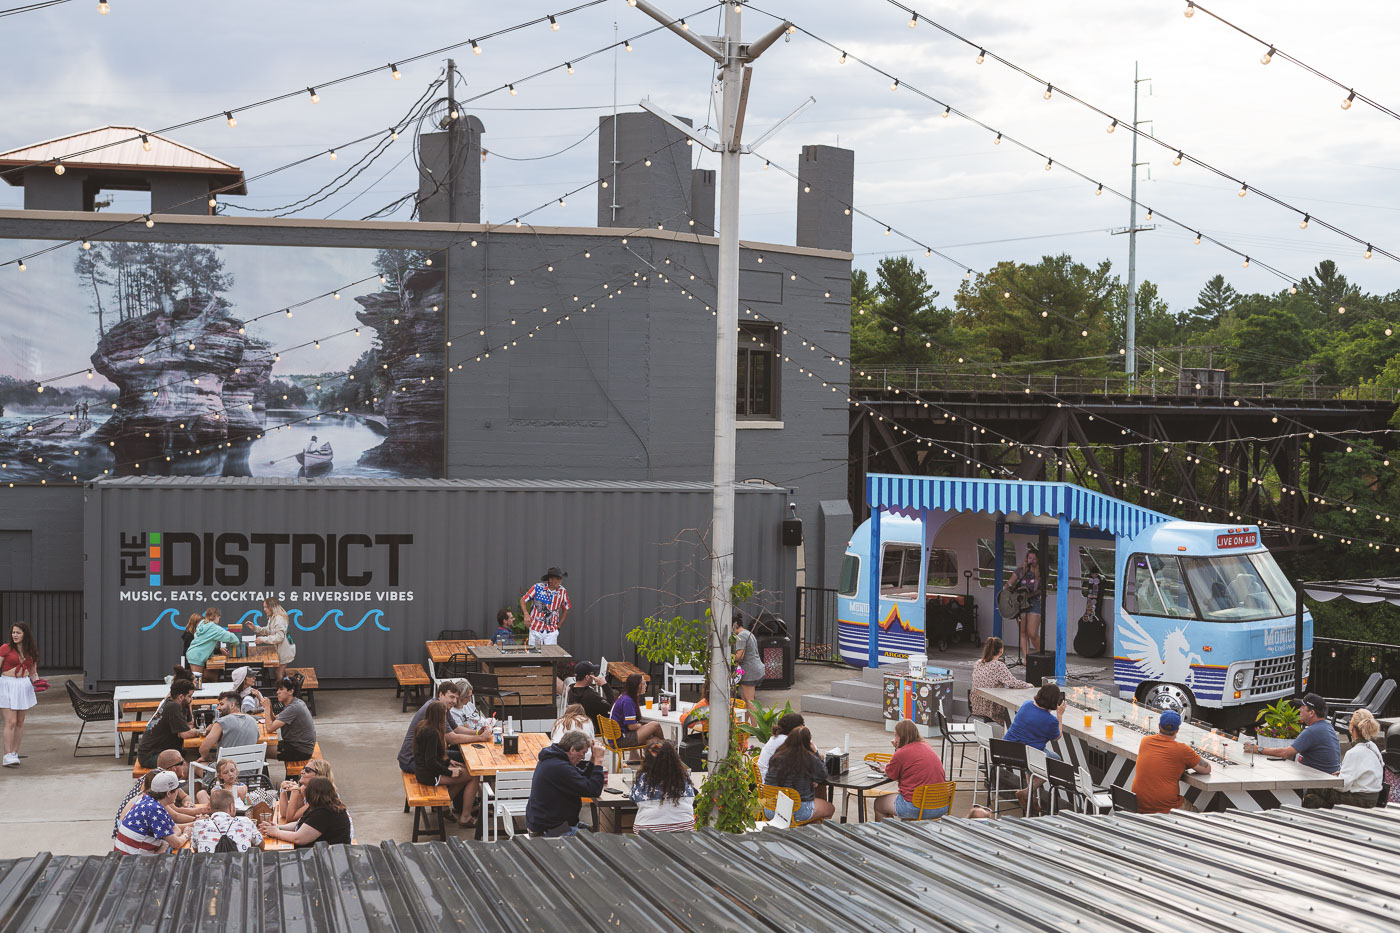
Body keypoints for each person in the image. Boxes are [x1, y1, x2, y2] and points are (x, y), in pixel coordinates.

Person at [526, 729, 607, 837]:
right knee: (596, 841)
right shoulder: (559, 767)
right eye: (583, 752)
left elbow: (582, 778)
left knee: (595, 833)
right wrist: (599, 761)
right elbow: (593, 790)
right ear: (572, 749)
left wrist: (593, 759)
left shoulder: (554, 759)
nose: (583, 757)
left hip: (554, 824)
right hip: (551, 830)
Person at [1131, 710, 1211, 814]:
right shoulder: (1183, 750)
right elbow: (1206, 768)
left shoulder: (1145, 741)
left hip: (1138, 805)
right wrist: (1184, 764)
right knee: (1196, 814)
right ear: (1177, 729)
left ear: (1159, 726)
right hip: (1166, 808)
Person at [1304, 709, 1385, 809]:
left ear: (1351, 727)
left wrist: (1333, 779)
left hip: (1360, 800)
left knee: (1313, 790)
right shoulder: (1373, 747)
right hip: (1372, 797)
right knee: (1315, 796)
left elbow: (1342, 786)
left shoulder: (1354, 752)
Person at [1003, 682, 1065, 813]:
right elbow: (1057, 736)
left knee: (1035, 757)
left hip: (1007, 751)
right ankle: (1027, 792)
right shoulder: (1051, 721)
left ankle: (1032, 800)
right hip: (1028, 756)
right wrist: (1060, 716)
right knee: (1055, 761)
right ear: (1054, 702)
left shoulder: (1026, 705)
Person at [414, 701, 477, 826]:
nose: (446, 717)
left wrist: (449, 761)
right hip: (429, 775)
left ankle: (443, 806)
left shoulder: (423, 725)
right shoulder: (432, 733)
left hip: (423, 770)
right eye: (444, 714)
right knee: (473, 776)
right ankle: (465, 817)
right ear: (439, 716)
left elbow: (433, 755)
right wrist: (449, 772)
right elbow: (430, 762)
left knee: (463, 771)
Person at [1244, 693, 1342, 773]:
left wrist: (1258, 749)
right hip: (1328, 777)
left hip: (1318, 782)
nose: (1299, 710)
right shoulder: (1327, 727)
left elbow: (1285, 753)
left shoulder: (1312, 731)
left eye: (1302, 707)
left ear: (1311, 713)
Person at [873, 719, 949, 821]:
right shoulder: (926, 746)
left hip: (918, 807)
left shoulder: (901, 753)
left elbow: (892, 775)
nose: (894, 738)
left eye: (896, 735)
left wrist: (897, 750)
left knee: (879, 804)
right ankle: (906, 833)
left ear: (901, 736)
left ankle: (883, 836)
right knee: (907, 800)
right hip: (941, 805)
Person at [112, 749, 197, 838]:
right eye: (182, 762)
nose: (185, 764)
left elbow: (185, 797)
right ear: (173, 768)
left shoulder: (163, 776)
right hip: (128, 831)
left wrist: (189, 803)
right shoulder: (159, 784)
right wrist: (198, 819)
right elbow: (175, 815)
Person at [763, 726, 834, 823]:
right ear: (808, 742)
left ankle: (806, 830)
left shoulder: (777, 755)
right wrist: (815, 752)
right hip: (795, 812)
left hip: (770, 809)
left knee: (814, 814)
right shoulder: (808, 757)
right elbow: (823, 774)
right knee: (830, 808)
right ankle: (812, 833)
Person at [260, 777, 352, 848]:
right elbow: (302, 824)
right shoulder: (321, 806)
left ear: (313, 793)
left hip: (328, 859)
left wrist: (276, 832)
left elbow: (299, 838)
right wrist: (278, 827)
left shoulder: (324, 813)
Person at [114, 771, 189, 855]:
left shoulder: (148, 799)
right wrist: (186, 834)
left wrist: (168, 842)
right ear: (168, 793)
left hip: (124, 858)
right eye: (177, 790)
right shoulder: (155, 810)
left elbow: (176, 829)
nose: (178, 793)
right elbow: (177, 843)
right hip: (132, 862)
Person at [629, 739, 696, 832]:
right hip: (685, 832)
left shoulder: (642, 779)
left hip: (647, 832)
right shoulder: (684, 777)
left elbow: (633, 797)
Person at [136, 678, 202, 769]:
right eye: (190, 696)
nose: (191, 699)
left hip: (163, 751)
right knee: (186, 768)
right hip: (150, 755)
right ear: (181, 697)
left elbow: (190, 724)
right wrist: (202, 731)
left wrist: (189, 730)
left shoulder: (179, 704)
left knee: (197, 757)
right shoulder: (172, 707)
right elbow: (184, 734)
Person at [397, 681, 461, 773]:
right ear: (441, 694)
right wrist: (480, 738)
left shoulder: (441, 706)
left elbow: (456, 729)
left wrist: (478, 733)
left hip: (426, 756)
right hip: (411, 760)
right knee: (463, 772)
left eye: (456, 698)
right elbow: (452, 738)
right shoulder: (435, 710)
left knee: (460, 760)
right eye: (452, 697)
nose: (455, 701)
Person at [1, 621, 40, 767]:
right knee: (10, 721)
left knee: (20, 722)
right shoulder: (5, 648)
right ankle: (7, 755)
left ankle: (14, 753)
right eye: (13, 632)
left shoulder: (31, 651)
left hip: (23, 686)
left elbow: (33, 672)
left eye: (18, 632)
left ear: (25, 634)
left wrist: (38, 682)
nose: (15, 635)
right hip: (7, 685)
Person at [970, 637, 1033, 725]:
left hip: (977, 704)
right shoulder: (998, 665)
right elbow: (1012, 683)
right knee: (1022, 711)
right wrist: (1027, 685)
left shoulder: (978, 663)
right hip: (991, 706)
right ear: (1001, 651)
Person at [190, 788, 263, 853]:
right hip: (240, 867)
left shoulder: (198, 825)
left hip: (209, 867)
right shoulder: (245, 822)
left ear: (210, 808)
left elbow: (195, 849)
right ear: (231, 807)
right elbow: (261, 845)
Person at [261, 678, 317, 762]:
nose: (277, 692)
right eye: (278, 689)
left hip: (300, 750)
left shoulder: (293, 707)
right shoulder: (296, 702)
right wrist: (269, 707)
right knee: (261, 748)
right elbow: (275, 719)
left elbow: (270, 728)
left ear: (291, 691)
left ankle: (261, 774)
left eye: (281, 689)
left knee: (259, 751)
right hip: (298, 745)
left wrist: (266, 708)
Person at [198, 691, 260, 762]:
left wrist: (206, 758)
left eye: (221, 704)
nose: (218, 708)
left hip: (225, 771)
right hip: (250, 770)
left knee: (197, 765)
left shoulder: (221, 722)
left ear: (232, 705)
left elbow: (203, 749)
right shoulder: (253, 721)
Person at [610, 673, 663, 751]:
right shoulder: (627, 701)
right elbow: (631, 726)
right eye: (644, 683)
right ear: (638, 686)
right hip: (621, 740)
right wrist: (641, 725)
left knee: (654, 740)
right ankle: (667, 747)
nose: (646, 685)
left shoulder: (624, 696)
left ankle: (643, 759)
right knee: (655, 725)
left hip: (615, 738)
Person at [276, 757, 336, 824]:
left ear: (318, 775)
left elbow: (290, 818)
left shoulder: (321, 796)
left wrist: (295, 792)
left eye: (307, 770)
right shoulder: (304, 788)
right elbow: (284, 814)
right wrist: (283, 790)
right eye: (303, 768)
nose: (301, 772)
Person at [521, 567, 570, 647]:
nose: (560, 581)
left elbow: (566, 609)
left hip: (551, 631)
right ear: (550, 580)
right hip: (536, 629)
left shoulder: (562, 591)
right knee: (535, 655)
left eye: (560, 579)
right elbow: (523, 600)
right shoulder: (537, 587)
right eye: (557, 579)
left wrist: (558, 627)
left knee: (551, 656)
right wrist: (526, 614)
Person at [251, 597, 295, 684]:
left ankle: (283, 694)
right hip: (281, 649)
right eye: (264, 607)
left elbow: (279, 637)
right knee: (277, 673)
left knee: (279, 674)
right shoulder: (273, 617)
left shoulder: (279, 619)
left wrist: (263, 639)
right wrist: (255, 628)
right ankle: (281, 692)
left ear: (272, 607)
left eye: (266, 607)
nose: (264, 609)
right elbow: (268, 630)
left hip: (285, 650)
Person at [184, 612, 240, 681]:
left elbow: (205, 645)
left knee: (208, 678)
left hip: (195, 656)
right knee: (198, 682)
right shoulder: (213, 628)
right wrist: (237, 643)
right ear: (216, 617)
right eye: (218, 617)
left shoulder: (202, 629)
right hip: (196, 657)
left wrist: (213, 654)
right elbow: (230, 637)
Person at [1011, 547, 1043, 655]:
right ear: (1026, 558)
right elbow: (1010, 583)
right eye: (1030, 558)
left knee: (1032, 633)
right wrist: (1004, 594)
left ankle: (1041, 656)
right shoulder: (1021, 571)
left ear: (1038, 560)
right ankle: (1026, 658)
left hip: (1034, 603)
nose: (1032, 560)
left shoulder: (1041, 572)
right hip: (1021, 604)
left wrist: (1030, 595)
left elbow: (1043, 590)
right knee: (1023, 632)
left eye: (1034, 559)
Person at [758, 712, 804, 782]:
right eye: (801, 727)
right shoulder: (785, 740)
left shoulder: (778, 738)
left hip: (766, 779)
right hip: (772, 784)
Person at [732, 615, 765, 705]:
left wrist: (727, 657)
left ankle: (755, 719)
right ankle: (745, 719)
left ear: (734, 626)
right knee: (744, 700)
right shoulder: (747, 633)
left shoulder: (741, 636)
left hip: (749, 671)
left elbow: (739, 656)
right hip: (757, 668)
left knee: (750, 701)